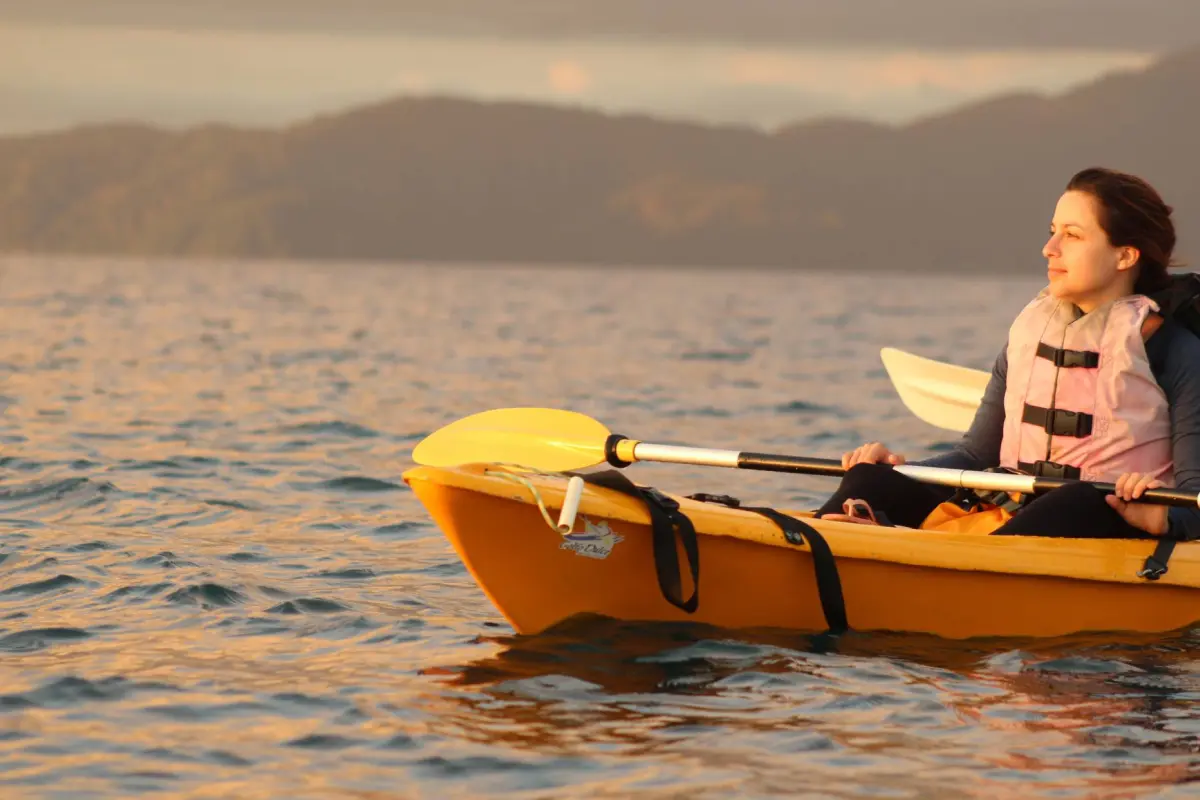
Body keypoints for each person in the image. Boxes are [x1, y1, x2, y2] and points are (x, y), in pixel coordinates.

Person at [817, 167, 1200, 541]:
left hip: (1103, 520)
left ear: (1125, 256)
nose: (1049, 249)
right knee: (870, 479)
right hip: (1011, 514)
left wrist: (1161, 518)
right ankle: (829, 546)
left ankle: (953, 568)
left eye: (1073, 235)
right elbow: (972, 458)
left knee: (1081, 497)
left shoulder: (1177, 350)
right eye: (1053, 233)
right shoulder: (1031, 336)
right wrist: (903, 471)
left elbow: (1194, 496)